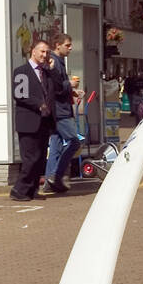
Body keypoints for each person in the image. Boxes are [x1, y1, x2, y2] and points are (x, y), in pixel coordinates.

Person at [11, 38, 56, 200]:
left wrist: (52, 70)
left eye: (47, 52)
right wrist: (39, 104)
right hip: (28, 121)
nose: (45, 55)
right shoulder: (21, 71)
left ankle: (32, 189)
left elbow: (55, 88)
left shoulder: (46, 72)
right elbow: (19, 94)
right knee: (30, 158)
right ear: (33, 51)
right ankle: (19, 190)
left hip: (44, 121)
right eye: (42, 51)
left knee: (40, 158)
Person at [42, 32, 81, 195]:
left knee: (56, 145)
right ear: (57, 45)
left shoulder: (59, 62)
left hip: (57, 110)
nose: (70, 48)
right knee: (74, 142)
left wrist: (72, 91)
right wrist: (70, 85)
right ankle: (56, 175)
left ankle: (49, 181)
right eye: (67, 45)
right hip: (61, 111)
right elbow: (56, 88)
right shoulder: (55, 63)